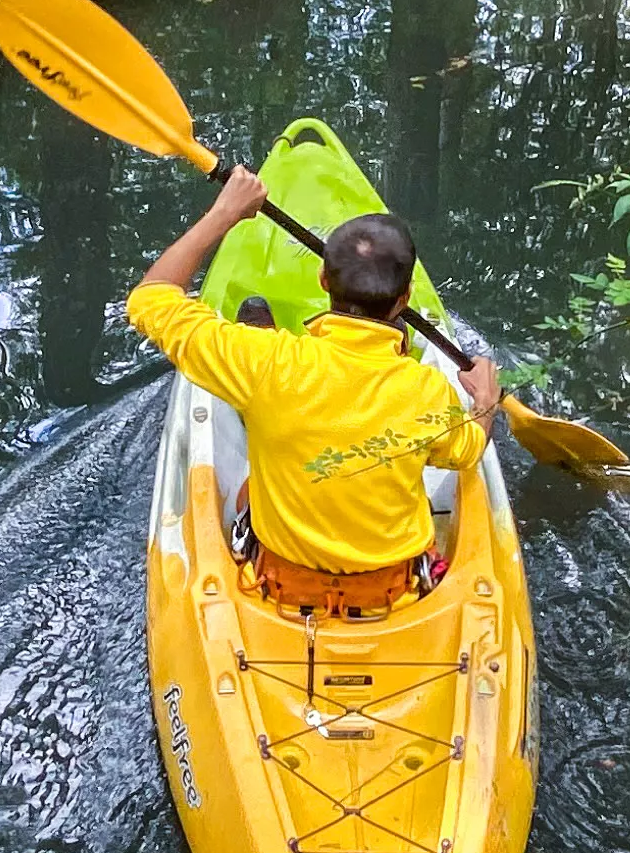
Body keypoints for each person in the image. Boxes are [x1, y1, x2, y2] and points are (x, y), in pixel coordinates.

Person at [124, 162, 502, 614]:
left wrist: (223, 214)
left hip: (283, 586)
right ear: (403, 300)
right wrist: (485, 402)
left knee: (248, 489)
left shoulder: (267, 362)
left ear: (323, 279)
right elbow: (464, 452)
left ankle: (256, 360)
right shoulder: (425, 390)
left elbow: (150, 298)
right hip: (392, 594)